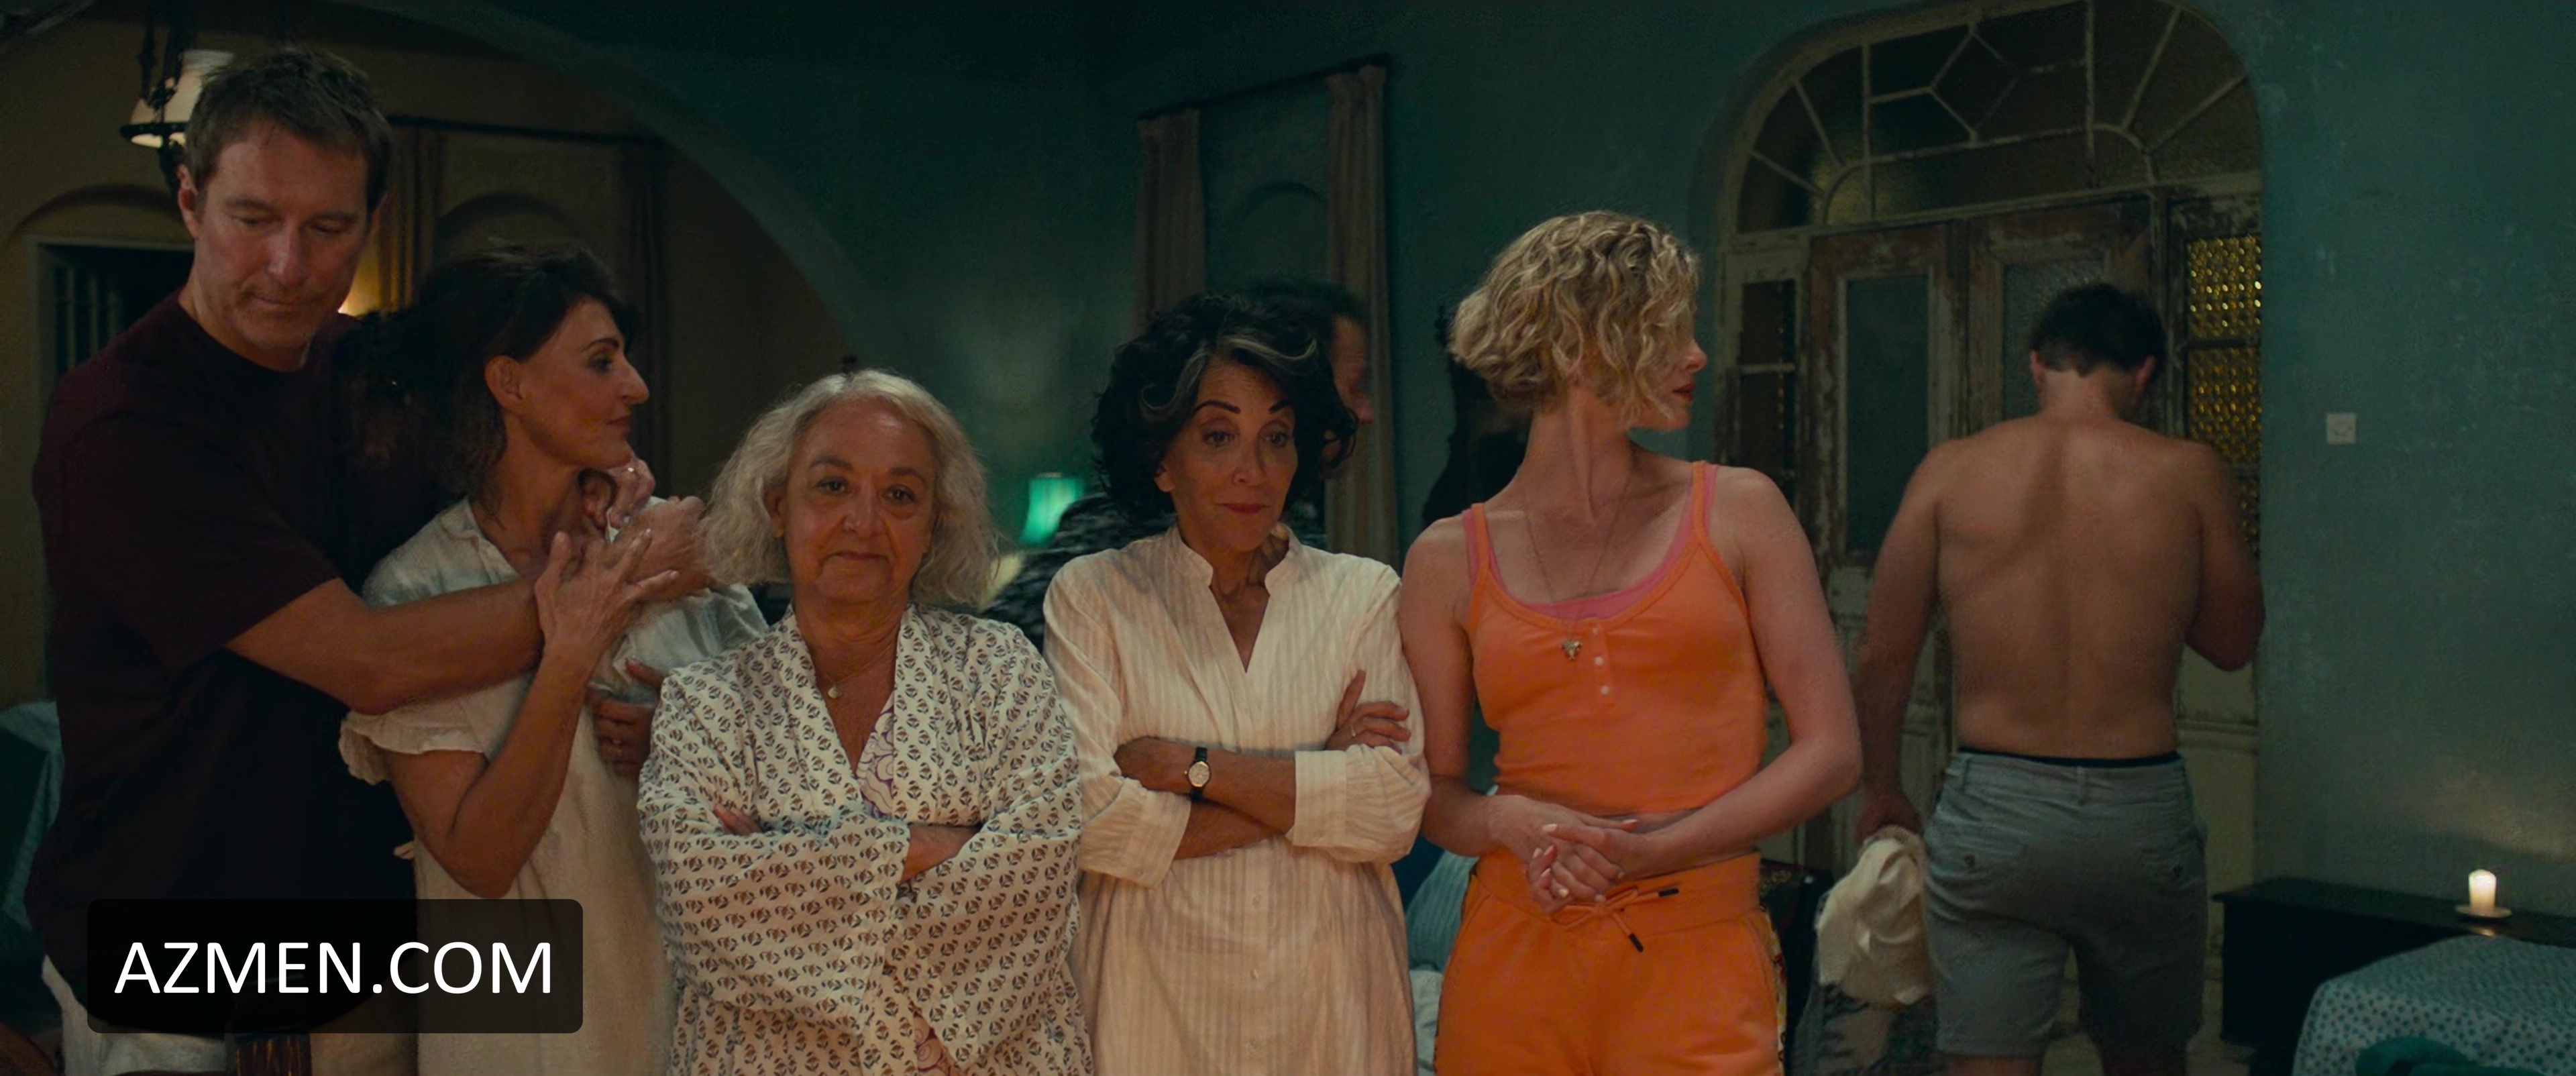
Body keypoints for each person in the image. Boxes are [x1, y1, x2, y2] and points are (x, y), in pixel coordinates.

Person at [28, 48, 694, 1076]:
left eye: (327, 228)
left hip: (372, 947)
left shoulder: (373, 373)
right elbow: (369, 663)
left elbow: (521, 428)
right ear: (191, 201)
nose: (288, 265)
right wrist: (631, 572)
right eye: (254, 219)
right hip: (176, 945)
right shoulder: (126, 426)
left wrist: (598, 485)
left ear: (373, 222)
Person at [1400, 211, 1860, 1075]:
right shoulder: (1446, 557)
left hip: (1699, 952)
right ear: (1583, 345)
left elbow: (1832, 751)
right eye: (1669, 330)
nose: (1698, 355)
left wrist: (1655, 852)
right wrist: (1505, 818)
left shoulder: (1739, 511)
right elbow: (1435, 793)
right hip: (1511, 961)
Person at [335, 247, 766, 1075]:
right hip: (526, 1040)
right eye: (601, 361)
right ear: (510, 383)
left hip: (702, 1025)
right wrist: (569, 651)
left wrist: (690, 740)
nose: (636, 386)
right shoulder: (420, 590)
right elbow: (481, 858)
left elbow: (807, 782)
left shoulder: (677, 551)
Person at [1850, 284, 2262, 1076]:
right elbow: (2232, 642)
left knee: (1987, 1062)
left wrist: (1882, 786)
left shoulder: (1951, 470)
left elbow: (1881, 653)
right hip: (2137, 809)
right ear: (2144, 373)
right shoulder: (2189, 471)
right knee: (2148, 1060)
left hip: (1998, 805)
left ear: (2037, 365)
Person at [639, 372, 1089, 1076]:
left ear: (934, 524)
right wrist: (932, 846)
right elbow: (704, 908)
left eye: (900, 495)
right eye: (832, 486)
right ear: (778, 507)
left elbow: (1041, 876)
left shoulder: (999, 669)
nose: (864, 521)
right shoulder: (705, 702)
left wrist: (787, 866)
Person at [1045, 295, 1425, 1075]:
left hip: (1332, 1011)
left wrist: (1195, 768)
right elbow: (1092, 824)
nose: (1253, 470)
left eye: (1276, 437)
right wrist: (1319, 769)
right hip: (1153, 1017)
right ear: (1162, 458)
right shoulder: (1095, 596)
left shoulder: (1362, 594)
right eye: (1218, 435)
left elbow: (1391, 812)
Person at [984, 277, 1370, 649]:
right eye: (1218, 437)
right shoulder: (1112, 543)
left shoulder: (1320, 557)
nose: (1365, 410)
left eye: (1275, 436)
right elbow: (995, 650)